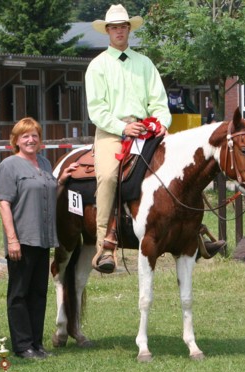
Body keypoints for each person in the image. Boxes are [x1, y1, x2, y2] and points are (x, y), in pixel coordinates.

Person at [86, 4, 225, 273]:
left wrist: (162, 123)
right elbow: (97, 109)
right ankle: (105, 245)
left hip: (148, 129)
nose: (119, 31)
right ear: (108, 31)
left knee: (182, 169)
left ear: (129, 30)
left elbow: (159, 102)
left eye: (123, 27)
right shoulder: (97, 66)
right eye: (114, 27)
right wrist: (122, 128)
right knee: (108, 176)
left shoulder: (145, 63)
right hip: (112, 132)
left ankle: (192, 233)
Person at [0, 117, 77, 359]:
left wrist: (61, 181)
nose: (31, 140)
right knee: (19, 294)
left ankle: (37, 344)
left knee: (39, 293)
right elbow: (4, 204)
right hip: (22, 239)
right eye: (25, 136)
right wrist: (12, 239)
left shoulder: (43, 162)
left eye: (35, 136)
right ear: (16, 141)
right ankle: (22, 346)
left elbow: (48, 192)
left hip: (43, 239)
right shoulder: (9, 166)